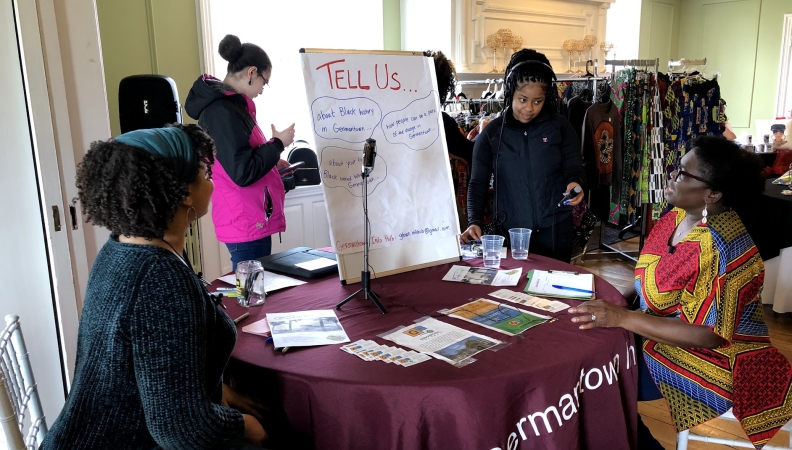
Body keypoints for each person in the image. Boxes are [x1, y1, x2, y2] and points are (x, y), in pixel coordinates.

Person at [41, 125, 268, 449]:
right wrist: (247, 427)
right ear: (184, 192)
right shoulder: (161, 280)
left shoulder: (120, 248)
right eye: (206, 174)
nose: (213, 182)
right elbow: (180, 430)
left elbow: (155, 370)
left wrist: (218, 391)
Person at [569, 136, 792, 448]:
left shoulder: (723, 249)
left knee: (595, 380)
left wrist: (622, 318)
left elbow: (710, 335)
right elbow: (650, 274)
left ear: (713, 193)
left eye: (683, 173)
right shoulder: (676, 216)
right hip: (653, 327)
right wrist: (617, 303)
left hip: (706, 355)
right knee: (583, 352)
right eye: (676, 168)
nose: (672, 176)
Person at [461, 49, 585, 262]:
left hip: (555, 231)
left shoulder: (561, 128)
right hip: (510, 234)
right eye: (522, 99)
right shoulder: (492, 135)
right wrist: (474, 221)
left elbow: (574, 168)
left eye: (538, 101)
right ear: (510, 93)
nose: (529, 108)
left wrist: (576, 183)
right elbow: (477, 183)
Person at [186, 34, 295, 270]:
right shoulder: (222, 111)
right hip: (245, 219)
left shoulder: (232, 107)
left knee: (255, 285)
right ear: (251, 72)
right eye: (264, 82)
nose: (262, 90)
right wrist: (277, 144)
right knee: (252, 288)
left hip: (250, 216)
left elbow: (240, 157)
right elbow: (242, 172)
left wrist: (273, 162)